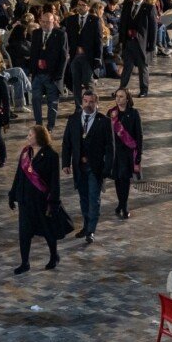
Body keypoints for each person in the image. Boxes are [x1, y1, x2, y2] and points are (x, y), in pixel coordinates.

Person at [62, 89, 113, 244]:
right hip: (79, 167)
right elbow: (67, 143)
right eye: (85, 101)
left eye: (91, 102)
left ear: (96, 103)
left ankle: (91, 230)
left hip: (95, 168)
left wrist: (107, 169)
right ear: (81, 102)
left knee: (94, 199)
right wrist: (65, 163)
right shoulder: (73, 119)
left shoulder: (104, 121)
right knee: (83, 198)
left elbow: (110, 148)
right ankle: (85, 226)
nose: (88, 104)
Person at [9, 125, 62, 274]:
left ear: (39, 137)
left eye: (30, 135)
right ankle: (25, 262)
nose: (28, 137)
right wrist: (12, 194)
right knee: (24, 232)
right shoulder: (26, 153)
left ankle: (54, 255)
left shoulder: (51, 155)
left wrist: (53, 202)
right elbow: (19, 175)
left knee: (47, 230)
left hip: (42, 201)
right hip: (25, 200)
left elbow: (54, 182)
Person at [29, 12, 68, 132]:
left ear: (54, 22)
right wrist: (32, 71)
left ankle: (50, 126)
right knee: (35, 99)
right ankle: (39, 124)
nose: (45, 24)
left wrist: (59, 75)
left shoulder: (60, 34)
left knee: (52, 102)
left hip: (52, 74)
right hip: (38, 73)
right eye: (43, 22)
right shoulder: (36, 33)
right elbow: (33, 53)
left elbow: (64, 56)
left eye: (48, 22)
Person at [108, 88, 142, 219]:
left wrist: (139, 154)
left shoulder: (134, 114)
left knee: (125, 179)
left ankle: (124, 204)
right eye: (117, 96)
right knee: (117, 178)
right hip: (115, 152)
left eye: (121, 96)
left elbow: (139, 135)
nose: (118, 99)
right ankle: (121, 203)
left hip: (128, 152)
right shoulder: (111, 113)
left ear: (127, 98)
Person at [118, 0, 156, 97]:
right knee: (127, 67)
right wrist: (121, 40)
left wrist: (152, 45)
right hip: (128, 42)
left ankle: (144, 89)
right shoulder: (127, 5)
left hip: (142, 43)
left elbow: (153, 28)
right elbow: (122, 23)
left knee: (143, 67)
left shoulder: (149, 8)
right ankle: (121, 88)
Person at [62, 0, 101, 104]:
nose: (79, 7)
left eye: (82, 5)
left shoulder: (94, 20)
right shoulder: (71, 20)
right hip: (75, 56)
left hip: (88, 56)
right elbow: (67, 39)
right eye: (78, 5)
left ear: (88, 7)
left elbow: (98, 41)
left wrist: (98, 58)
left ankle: (92, 104)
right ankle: (79, 106)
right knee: (76, 82)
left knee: (88, 82)